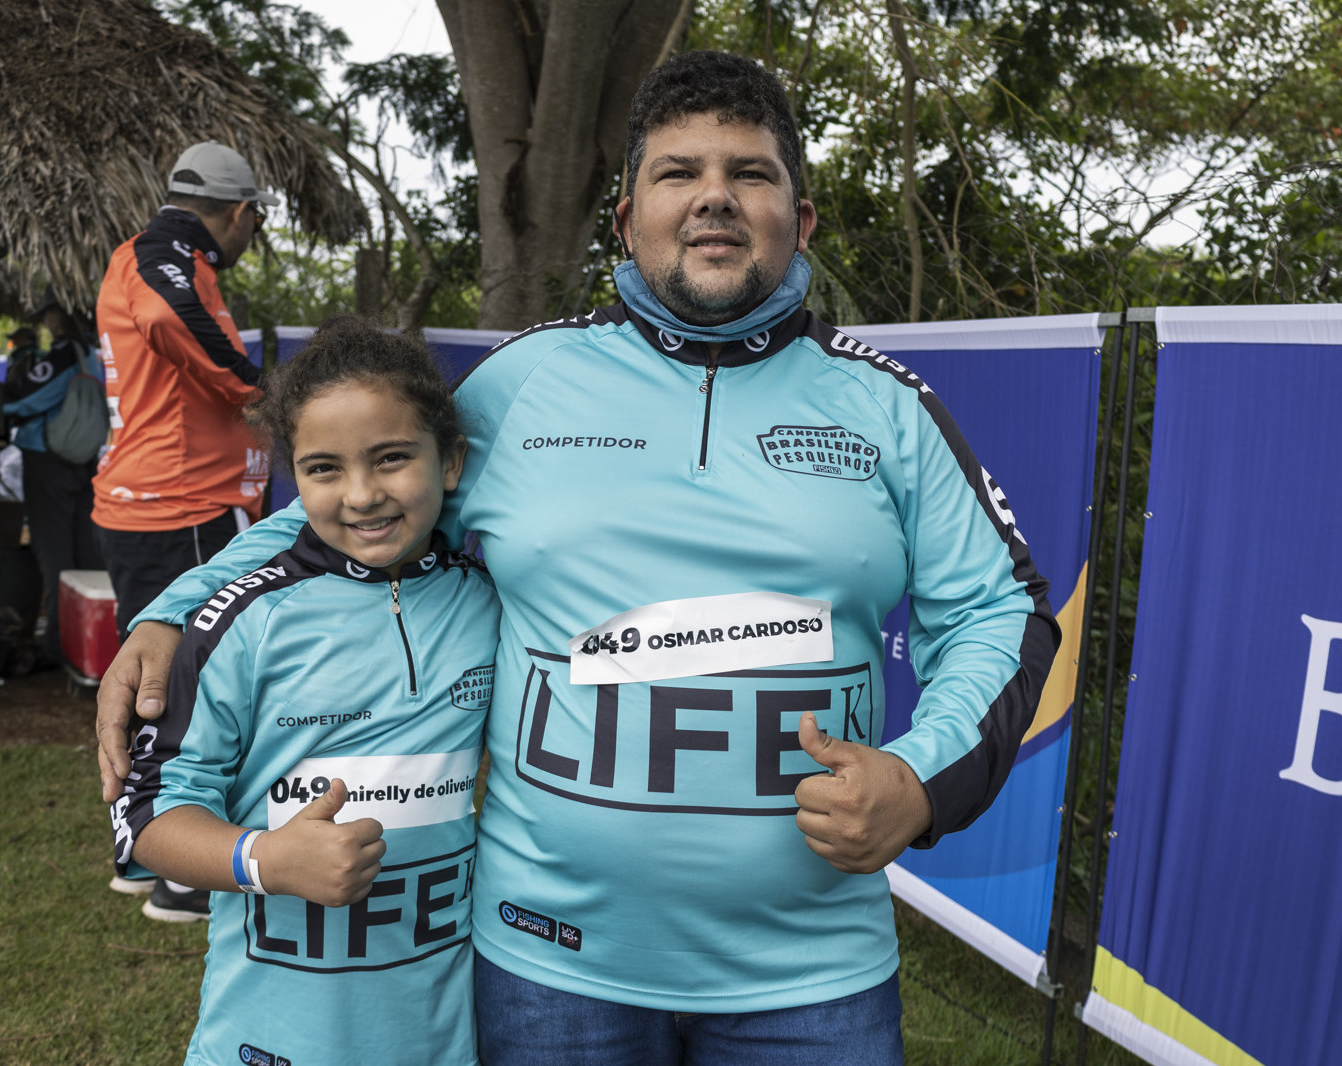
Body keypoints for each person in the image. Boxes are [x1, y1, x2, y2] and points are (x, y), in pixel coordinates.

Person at [99, 51, 1059, 1063]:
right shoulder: (516, 389)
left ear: (801, 219)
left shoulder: (888, 407)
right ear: (626, 216)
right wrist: (174, 610)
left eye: (752, 174)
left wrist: (918, 780)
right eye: (678, 173)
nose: (714, 200)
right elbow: (351, 507)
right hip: (551, 968)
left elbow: (1002, 609)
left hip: (812, 977)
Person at [110, 317, 496, 1065]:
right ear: (294, 477)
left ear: (450, 463)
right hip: (269, 1041)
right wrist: (264, 860)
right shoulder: (241, 621)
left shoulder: (483, 604)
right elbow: (145, 813)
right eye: (324, 469)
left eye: (391, 459)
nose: (361, 495)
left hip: (438, 1037)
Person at [94, 140, 276, 919]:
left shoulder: (148, 254)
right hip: (182, 503)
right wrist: (251, 390)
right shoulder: (164, 255)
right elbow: (173, 316)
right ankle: (180, 873)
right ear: (240, 213)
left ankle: (140, 853)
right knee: (191, 682)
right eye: (253, 224)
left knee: (152, 681)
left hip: (158, 500)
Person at [0, 309, 104, 668]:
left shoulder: (62, 350)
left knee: (55, 555)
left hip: (48, 456)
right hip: (83, 456)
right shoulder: (92, 350)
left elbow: (31, 396)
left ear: (57, 315)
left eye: (47, 314)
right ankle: (89, 643)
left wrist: (2, 395)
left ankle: (58, 649)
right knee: (86, 554)